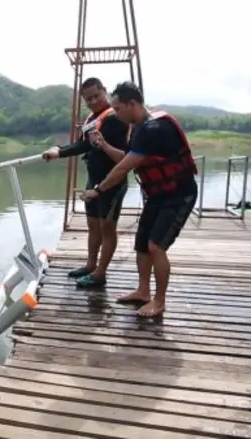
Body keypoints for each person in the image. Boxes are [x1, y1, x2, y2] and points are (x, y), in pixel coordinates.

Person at [81, 81, 198, 317]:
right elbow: (127, 157)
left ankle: (159, 300)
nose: (115, 113)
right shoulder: (137, 128)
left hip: (179, 194)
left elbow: (124, 167)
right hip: (156, 195)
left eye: (118, 108)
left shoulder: (153, 128)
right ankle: (143, 291)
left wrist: (99, 189)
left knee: (156, 246)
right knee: (142, 244)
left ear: (132, 104)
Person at [42, 77, 131, 288]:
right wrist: (59, 150)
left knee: (107, 227)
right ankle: (91, 265)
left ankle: (101, 273)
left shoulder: (115, 117)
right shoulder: (94, 117)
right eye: (88, 99)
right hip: (93, 179)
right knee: (93, 225)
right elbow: (84, 144)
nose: (92, 101)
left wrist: (61, 152)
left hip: (113, 181)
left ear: (105, 92)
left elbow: (88, 147)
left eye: (96, 96)